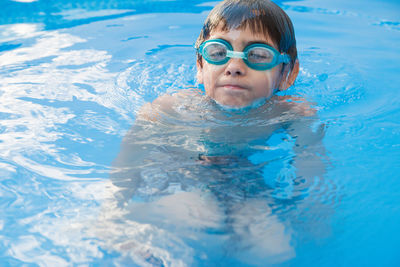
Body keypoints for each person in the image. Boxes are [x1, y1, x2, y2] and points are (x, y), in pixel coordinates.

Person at [107, 0, 330, 265]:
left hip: (244, 182)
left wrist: (315, 217)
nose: (234, 67)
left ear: (287, 73)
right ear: (200, 67)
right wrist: (111, 211)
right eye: (218, 52)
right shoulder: (171, 108)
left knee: (274, 250)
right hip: (180, 176)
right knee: (201, 215)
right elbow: (129, 162)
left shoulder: (293, 113)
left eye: (258, 55)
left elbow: (311, 167)